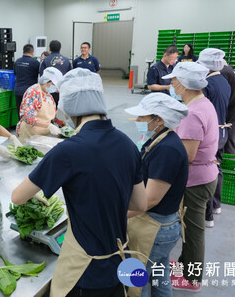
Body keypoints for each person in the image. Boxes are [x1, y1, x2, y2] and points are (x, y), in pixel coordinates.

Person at [12, 68, 147, 297]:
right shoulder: (127, 144)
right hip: (120, 262)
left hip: (86, 273)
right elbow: (140, 205)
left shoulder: (69, 150)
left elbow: (17, 197)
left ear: (70, 109)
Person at [161, 62, 219, 292]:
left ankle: (192, 279)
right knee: (189, 226)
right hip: (205, 176)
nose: (172, 84)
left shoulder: (193, 113)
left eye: (175, 80)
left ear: (185, 84)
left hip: (196, 181)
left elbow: (186, 156)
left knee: (193, 230)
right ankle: (186, 266)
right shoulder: (203, 104)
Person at [125, 93, 189, 297]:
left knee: (136, 282)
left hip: (154, 228)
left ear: (159, 119)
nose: (138, 121)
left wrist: (116, 213)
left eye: (142, 118)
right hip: (164, 227)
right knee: (160, 278)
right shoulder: (160, 139)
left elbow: (150, 199)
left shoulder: (167, 150)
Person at [197, 48, 231, 228]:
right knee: (217, 168)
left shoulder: (207, 85)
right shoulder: (224, 81)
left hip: (211, 134)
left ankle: (207, 215)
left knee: (206, 173)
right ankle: (217, 205)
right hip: (222, 132)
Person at [16, 67, 63, 143]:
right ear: (47, 82)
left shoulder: (48, 95)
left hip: (43, 135)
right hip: (30, 133)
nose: (55, 88)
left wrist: (63, 123)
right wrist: (49, 126)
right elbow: (28, 118)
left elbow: (52, 116)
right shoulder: (33, 92)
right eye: (53, 85)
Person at [39, 40, 72, 105]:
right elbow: (70, 76)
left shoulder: (45, 60)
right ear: (60, 48)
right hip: (62, 90)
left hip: (49, 90)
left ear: (50, 48)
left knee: (50, 110)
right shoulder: (66, 60)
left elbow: (42, 76)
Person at [13, 43, 40, 113]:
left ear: (23, 51)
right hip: (30, 92)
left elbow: (15, 73)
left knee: (20, 112)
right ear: (32, 52)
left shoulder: (17, 61)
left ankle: (21, 124)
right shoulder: (35, 63)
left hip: (18, 91)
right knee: (30, 113)